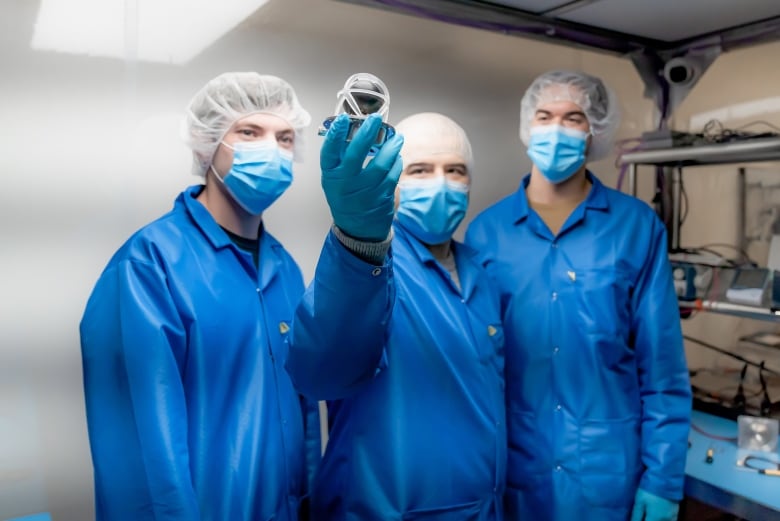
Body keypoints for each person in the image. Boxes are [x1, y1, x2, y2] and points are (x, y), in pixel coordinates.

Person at [79, 72, 320, 521]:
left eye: (285, 138)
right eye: (249, 132)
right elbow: (142, 455)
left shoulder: (285, 268)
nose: (271, 149)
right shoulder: (149, 266)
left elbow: (303, 412)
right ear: (206, 143)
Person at [466, 70, 692, 521]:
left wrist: (663, 479)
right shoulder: (486, 235)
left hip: (607, 475)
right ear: (528, 126)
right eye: (545, 116)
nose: (556, 129)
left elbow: (662, 364)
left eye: (573, 118)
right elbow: (473, 368)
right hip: (513, 469)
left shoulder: (635, 227)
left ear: (595, 132)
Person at [286, 112, 507, 520]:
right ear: (393, 177)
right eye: (421, 169)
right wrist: (358, 244)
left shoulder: (481, 273)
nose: (441, 183)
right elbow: (319, 373)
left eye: (455, 170)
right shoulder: (371, 264)